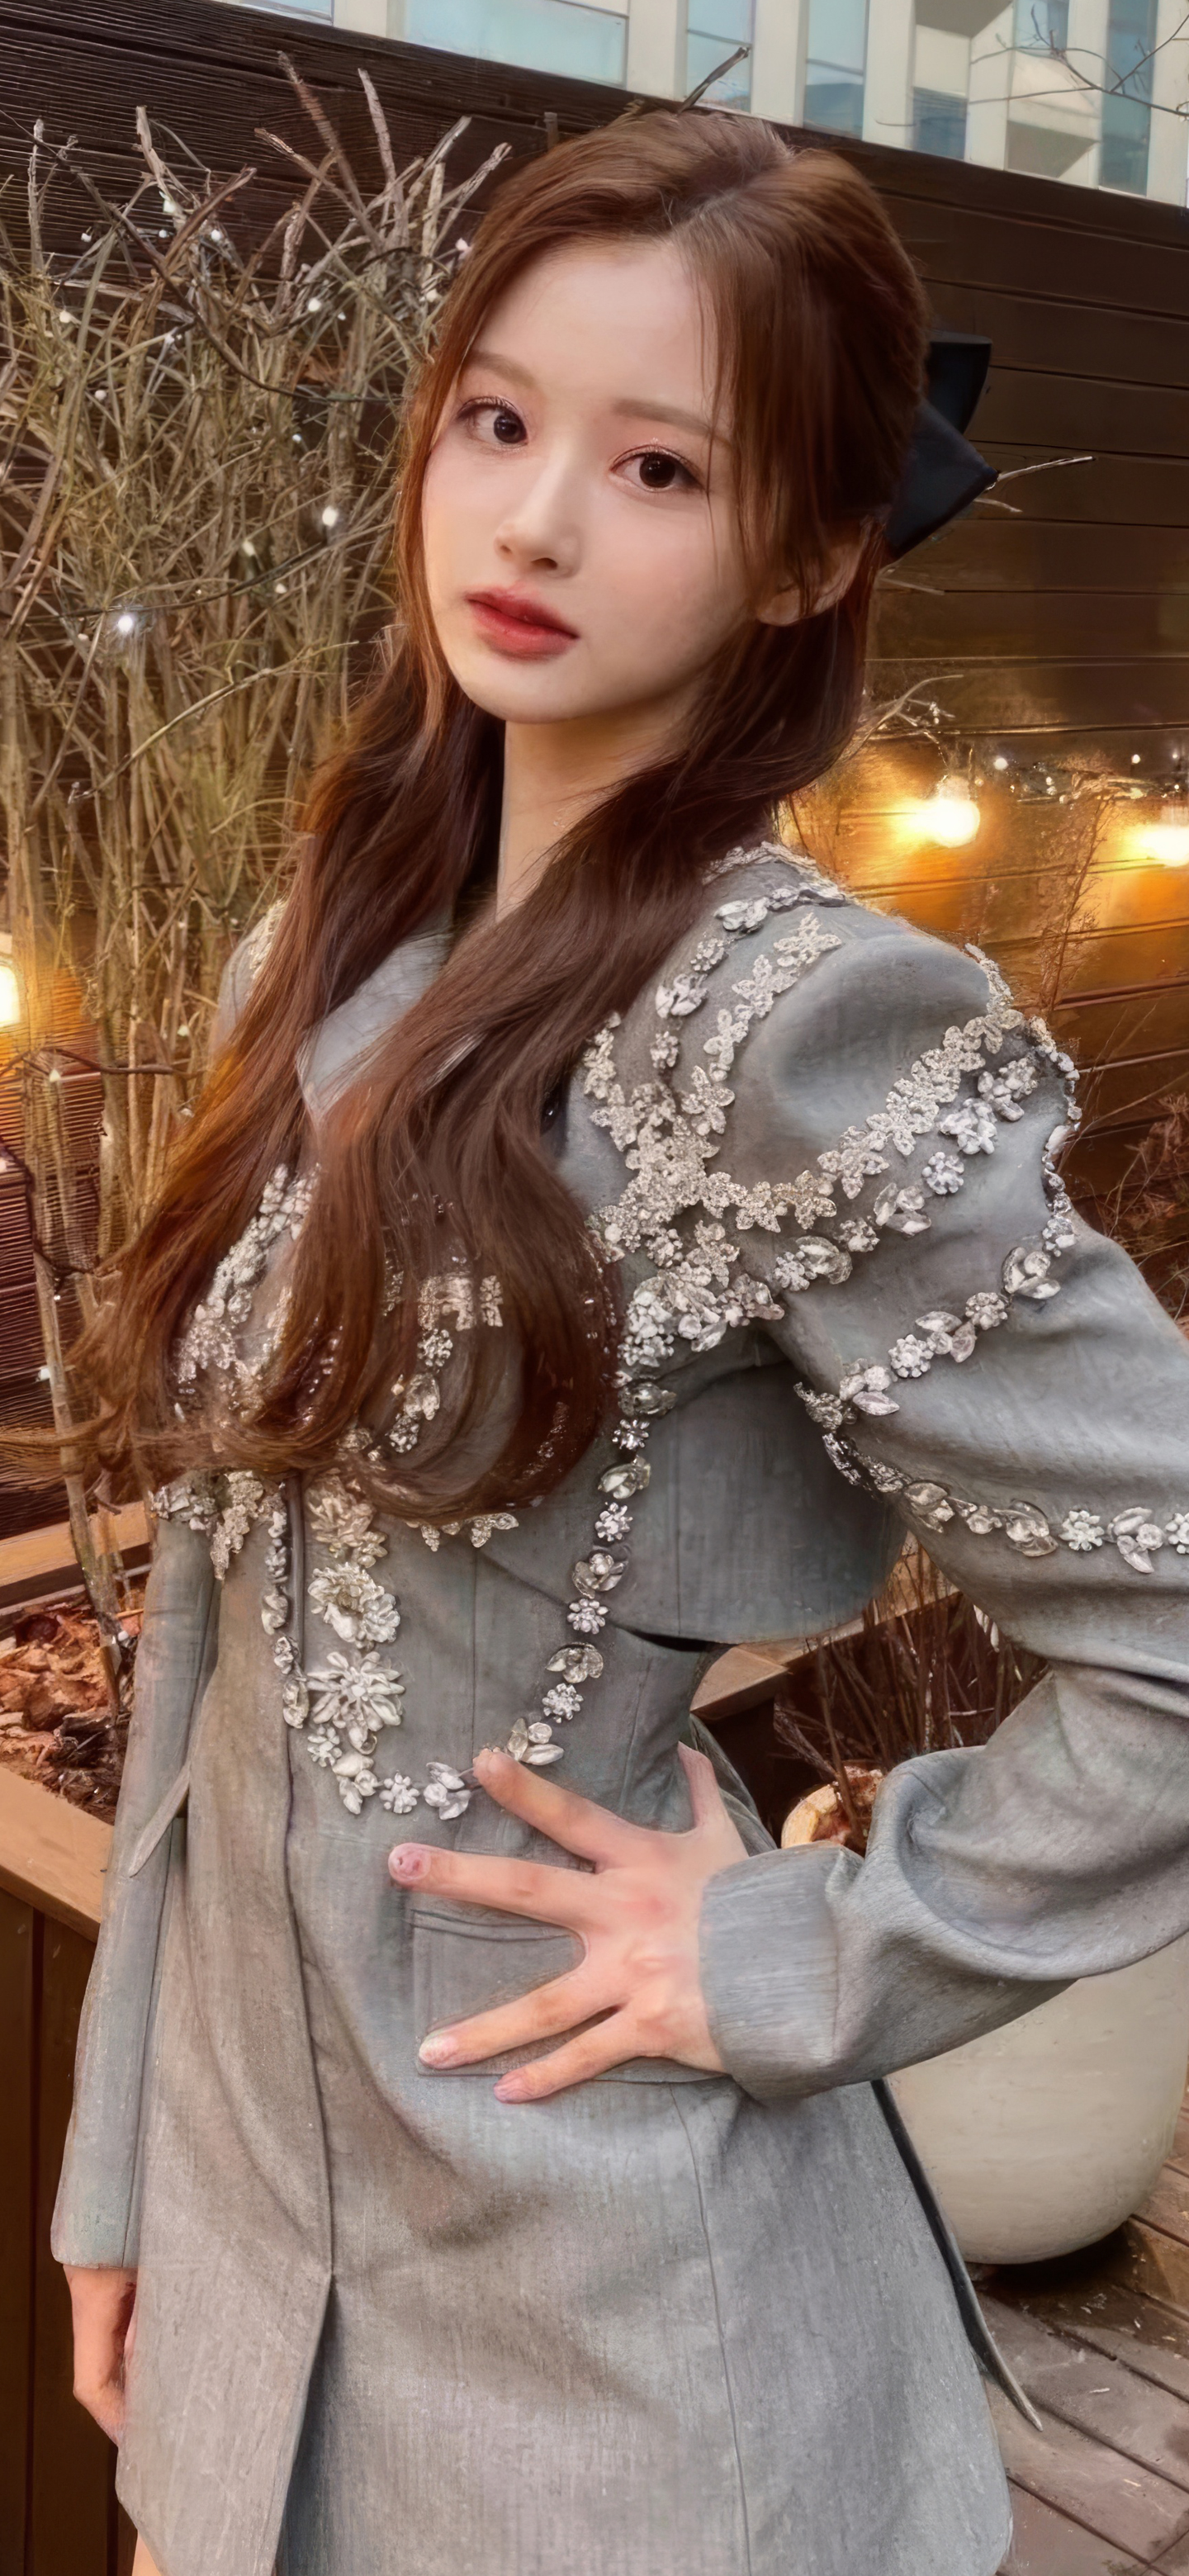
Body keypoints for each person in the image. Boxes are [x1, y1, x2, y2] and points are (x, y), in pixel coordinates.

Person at [50, 109, 1189, 2576]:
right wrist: (120, 2167)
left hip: (621, 2355)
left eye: (658, 466)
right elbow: (208, 1638)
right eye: (497, 420)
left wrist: (796, 1944)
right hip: (260, 2257)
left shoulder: (808, 1034)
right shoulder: (315, 964)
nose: (537, 523)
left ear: (808, 552)